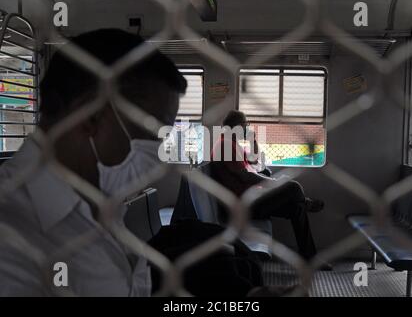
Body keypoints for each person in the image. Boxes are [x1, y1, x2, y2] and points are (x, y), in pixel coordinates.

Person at [0, 29, 187, 296]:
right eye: (151, 133)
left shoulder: (101, 202)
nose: (158, 150)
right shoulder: (12, 239)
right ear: (92, 116)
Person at [210, 110, 332, 269]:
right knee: (293, 188)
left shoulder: (233, 144)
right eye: (244, 125)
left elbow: (257, 164)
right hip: (242, 206)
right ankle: (305, 203)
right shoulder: (225, 145)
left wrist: (252, 140)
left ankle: (309, 257)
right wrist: (275, 182)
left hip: (252, 198)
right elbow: (246, 176)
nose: (247, 128)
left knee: (297, 207)